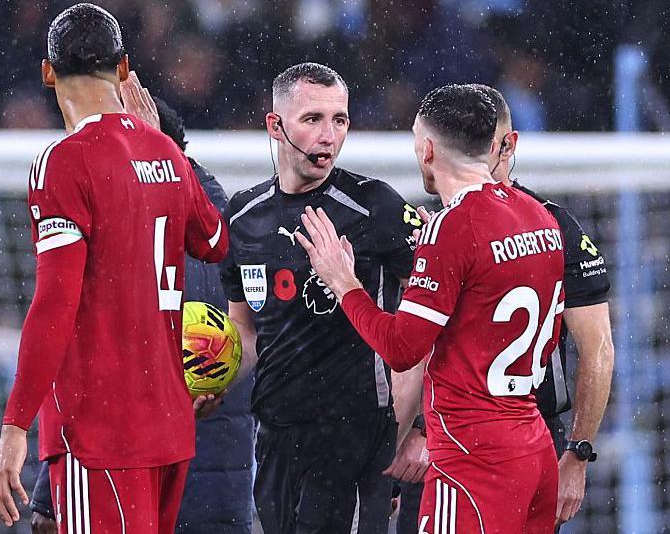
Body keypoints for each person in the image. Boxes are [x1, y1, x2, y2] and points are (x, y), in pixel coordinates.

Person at [0, 4, 228, 533]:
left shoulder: (64, 160)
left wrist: (15, 428)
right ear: (123, 68)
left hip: (101, 431)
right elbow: (213, 241)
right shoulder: (166, 152)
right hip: (168, 427)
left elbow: (55, 304)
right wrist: (161, 162)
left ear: (48, 72)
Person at [295, 84, 564, 533]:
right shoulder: (538, 215)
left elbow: (401, 349)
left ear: (428, 150)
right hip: (533, 445)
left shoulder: (452, 227)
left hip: (473, 458)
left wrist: (343, 282)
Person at [27, 94, 256, 534]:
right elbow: (255, 342)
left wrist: (47, 495)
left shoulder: (126, 234)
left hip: (127, 481)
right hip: (221, 494)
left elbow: (96, 373)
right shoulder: (235, 226)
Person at [393, 85, 616, 532]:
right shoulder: (436, 222)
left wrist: (578, 452)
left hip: (512, 431)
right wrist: (412, 432)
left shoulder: (551, 224)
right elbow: (421, 349)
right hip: (454, 436)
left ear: (506, 145)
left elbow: (599, 348)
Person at [217, 62, 422, 533]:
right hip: (275, 436)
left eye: (340, 120)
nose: (328, 136)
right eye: (313, 119)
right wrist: (216, 379)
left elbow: (441, 311)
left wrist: (421, 426)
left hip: (355, 438)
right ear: (275, 126)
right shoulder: (243, 217)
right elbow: (245, 331)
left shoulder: (375, 207)